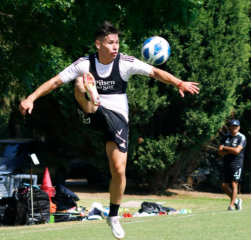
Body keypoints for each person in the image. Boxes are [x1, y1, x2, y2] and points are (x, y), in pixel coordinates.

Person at [19, 21, 200, 239]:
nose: (116, 47)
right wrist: (31, 98)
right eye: (110, 43)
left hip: (117, 119)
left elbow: (154, 72)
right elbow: (55, 82)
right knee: (79, 82)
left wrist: (178, 82)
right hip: (91, 112)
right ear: (98, 44)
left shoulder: (125, 63)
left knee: (119, 170)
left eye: (117, 42)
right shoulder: (84, 63)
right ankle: (92, 96)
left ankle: (113, 215)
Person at [218, 119, 246, 211]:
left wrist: (226, 148)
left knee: (234, 184)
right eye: (233, 126)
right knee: (224, 185)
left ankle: (231, 205)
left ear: (239, 127)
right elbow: (219, 151)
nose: (234, 128)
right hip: (227, 163)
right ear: (230, 127)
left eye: (236, 126)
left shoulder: (241, 137)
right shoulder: (225, 137)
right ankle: (237, 201)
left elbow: (237, 151)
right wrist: (231, 150)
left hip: (237, 164)